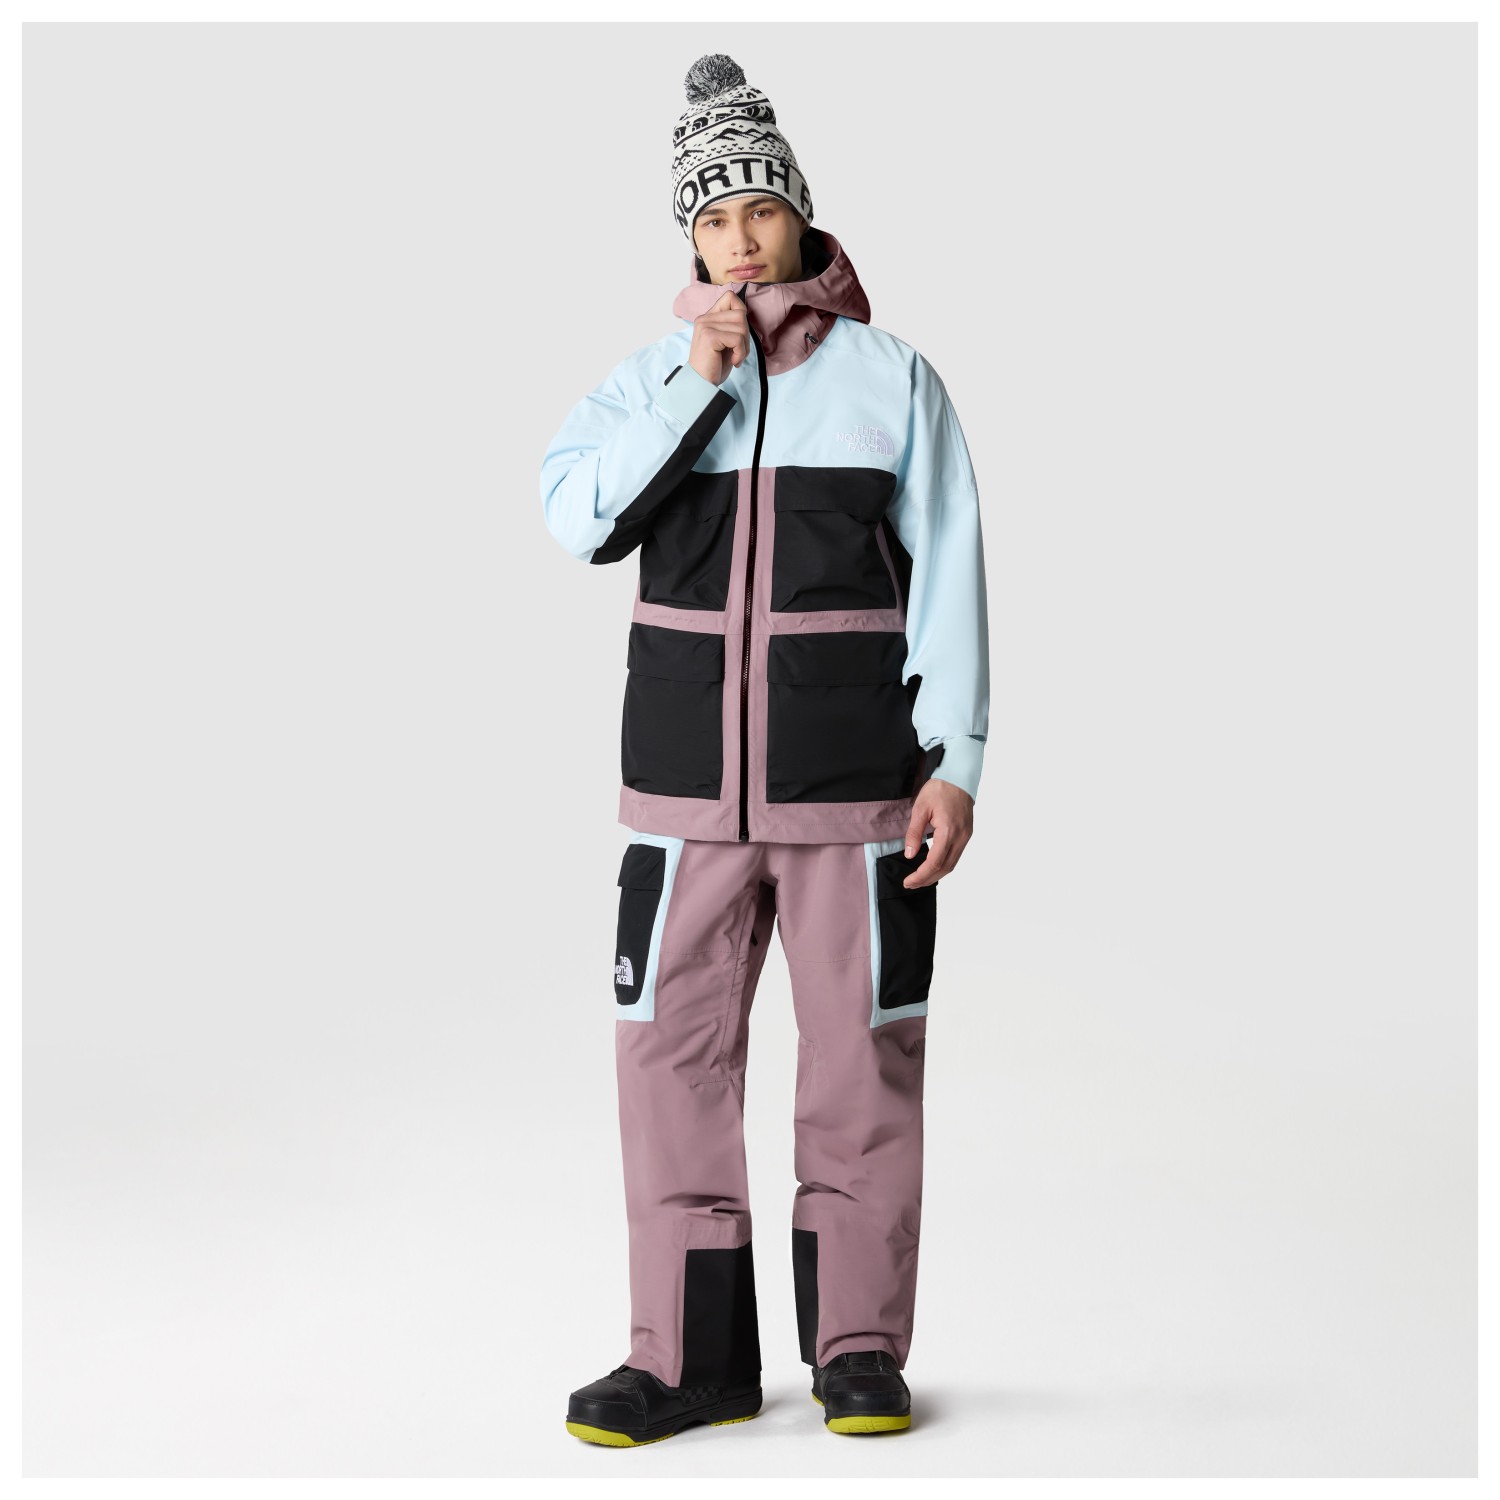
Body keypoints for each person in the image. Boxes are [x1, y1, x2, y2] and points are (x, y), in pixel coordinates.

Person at [539, 53, 990, 1446]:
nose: (740, 238)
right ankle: (687, 1361)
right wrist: (694, 388)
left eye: (760, 209)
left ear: (801, 214)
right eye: (714, 216)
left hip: (855, 799)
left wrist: (957, 759)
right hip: (682, 805)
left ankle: (858, 1350)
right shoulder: (647, 381)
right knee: (666, 1069)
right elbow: (578, 520)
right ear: (691, 237)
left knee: (863, 1067)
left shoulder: (893, 381)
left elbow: (952, 576)